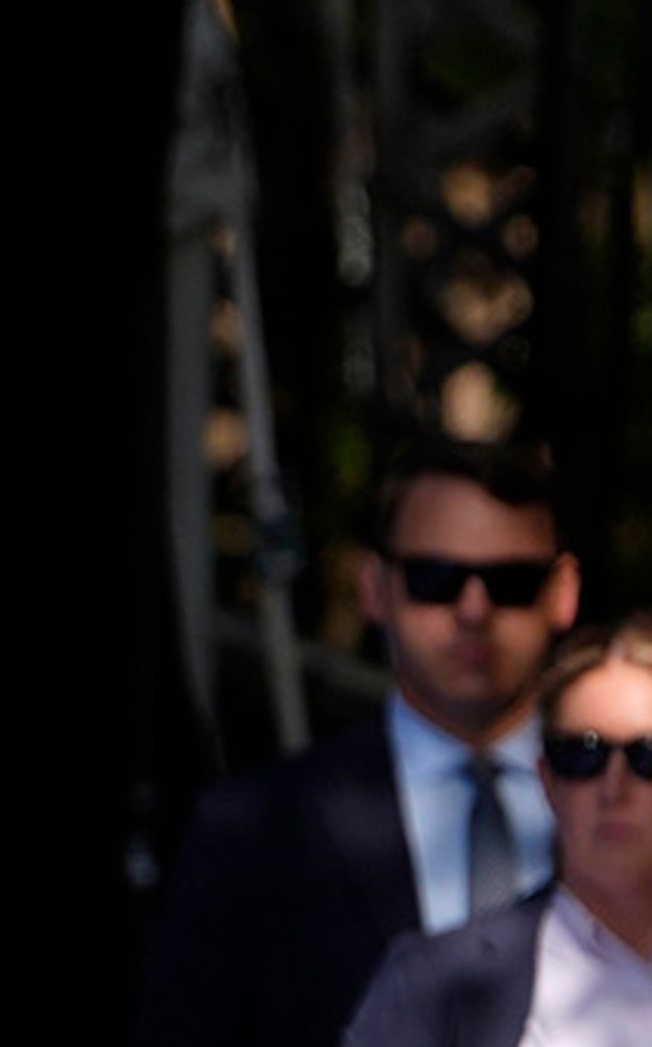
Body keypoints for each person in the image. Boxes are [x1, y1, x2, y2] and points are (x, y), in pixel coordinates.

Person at [135, 435, 580, 1047]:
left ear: (564, 591)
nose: (474, 609)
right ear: (374, 587)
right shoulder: (252, 831)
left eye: (512, 583)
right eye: (436, 578)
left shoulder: (629, 799)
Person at [342, 612, 652, 1046]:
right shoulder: (432, 983)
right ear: (545, 779)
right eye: (581, 755)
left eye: (647, 756)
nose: (613, 788)